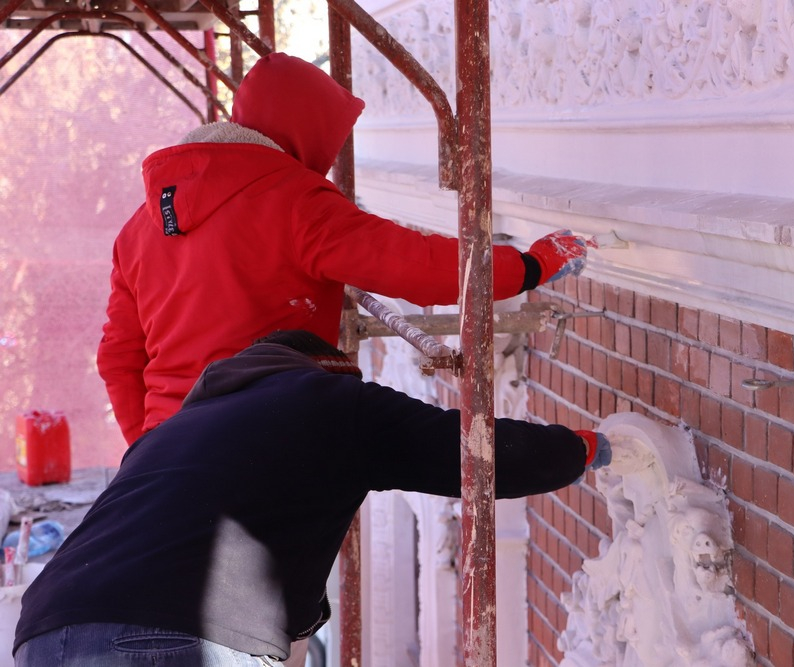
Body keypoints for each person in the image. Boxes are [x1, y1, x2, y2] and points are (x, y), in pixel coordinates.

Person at [14, 330, 611, 666]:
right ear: (327, 370)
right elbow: (475, 453)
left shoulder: (178, 430)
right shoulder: (331, 402)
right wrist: (587, 448)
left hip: (44, 632)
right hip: (172, 639)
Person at [97, 51, 589, 447]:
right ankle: (579, 451)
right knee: (428, 446)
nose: (330, 158)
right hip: (261, 440)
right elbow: (413, 265)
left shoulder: (140, 227)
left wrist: (147, 447)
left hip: (169, 449)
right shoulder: (291, 201)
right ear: (305, 129)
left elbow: (118, 357)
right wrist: (530, 265)